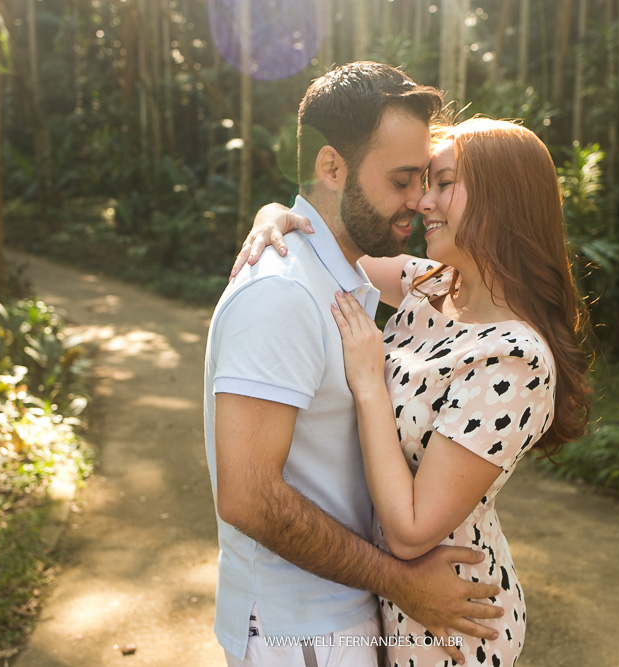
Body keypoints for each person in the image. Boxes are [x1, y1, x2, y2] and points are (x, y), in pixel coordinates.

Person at [238, 117, 592, 666]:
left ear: (505, 199)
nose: (424, 201)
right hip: (388, 605)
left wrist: (368, 383)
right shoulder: (431, 284)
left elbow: (409, 532)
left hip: (450, 619)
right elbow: (327, 242)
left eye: (443, 183)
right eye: (426, 182)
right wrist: (274, 214)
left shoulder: (514, 359)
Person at [204, 62, 504, 667]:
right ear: (331, 167)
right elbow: (247, 498)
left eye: (424, 178)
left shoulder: (346, 276)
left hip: (336, 616)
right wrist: (402, 581)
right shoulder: (284, 294)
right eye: (402, 180)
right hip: (301, 632)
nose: (419, 200)